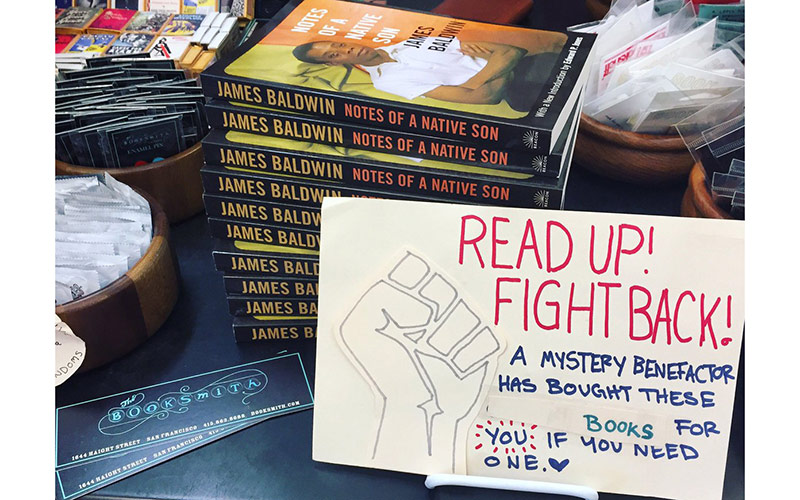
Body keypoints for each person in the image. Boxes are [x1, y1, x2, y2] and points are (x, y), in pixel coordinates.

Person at [292, 37, 563, 112]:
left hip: (537, 64)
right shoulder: (387, 81)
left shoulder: (411, 41)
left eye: (338, 44)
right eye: (334, 55)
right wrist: (498, 62)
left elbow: (513, 50)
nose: (346, 49)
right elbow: (485, 97)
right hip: (523, 94)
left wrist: (474, 81)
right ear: (334, 65)